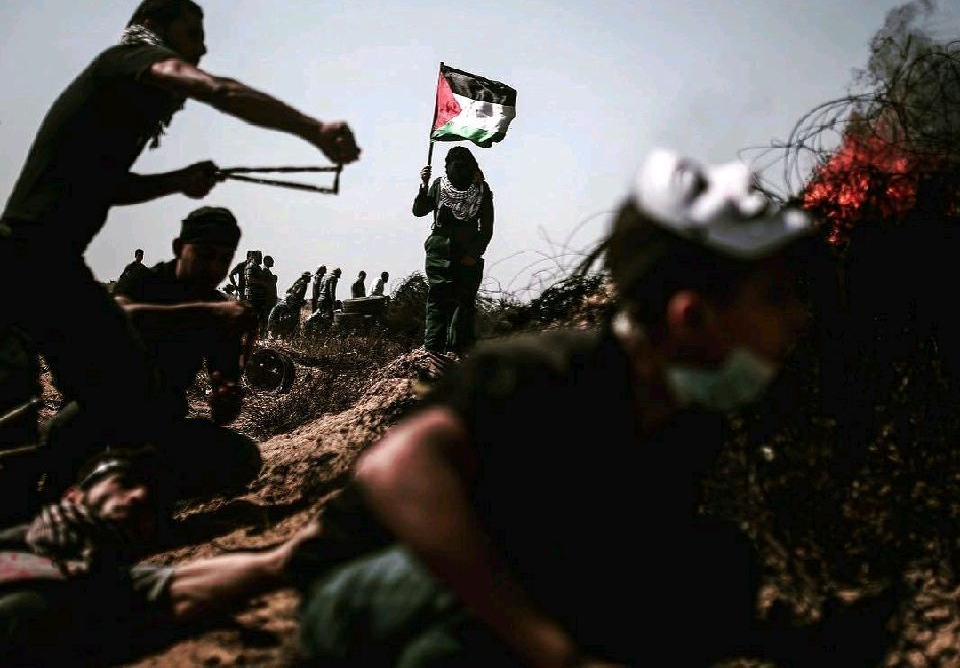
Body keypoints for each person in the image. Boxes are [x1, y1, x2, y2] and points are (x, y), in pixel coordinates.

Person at [298, 149, 900, 668]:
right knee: (518, 581)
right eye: (773, 298)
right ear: (690, 317)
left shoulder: (688, 408)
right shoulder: (546, 374)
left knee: (714, 569)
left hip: (507, 576)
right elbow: (395, 469)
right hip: (373, 595)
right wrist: (552, 650)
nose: (795, 318)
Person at [0, 0, 360, 491]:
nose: (202, 50)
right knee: (114, 393)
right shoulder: (128, 59)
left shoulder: (116, 112)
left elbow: (103, 185)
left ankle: (66, 495)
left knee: (94, 402)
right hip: (31, 255)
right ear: (154, 26)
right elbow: (217, 89)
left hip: (44, 259)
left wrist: (176, 181)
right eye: (193, 35)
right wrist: (313, 128)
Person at [0, 445, 322, 665]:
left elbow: (179, 587)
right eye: (124, 482)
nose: (139, 496)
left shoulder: (103, 585)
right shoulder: (21, 536)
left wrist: (289, 556)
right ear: (73, 495)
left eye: (152, 506)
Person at [104, 206, 262, 499]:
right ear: (179, 248)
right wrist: (206, 313)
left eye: (224, 260)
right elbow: (121, 315)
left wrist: (227, 397)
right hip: (105, 417)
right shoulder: (145, 281)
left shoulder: (220, 313)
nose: (214, 268)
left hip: (162, 427)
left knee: (242, 457)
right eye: (204, 255)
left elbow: (223, 405)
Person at [413, 146, 493, 357]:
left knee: (443, 301)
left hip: (449, 252)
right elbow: (419, 210)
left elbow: (419, 211)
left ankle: (439, 351)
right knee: (456, 301)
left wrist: (473, 254)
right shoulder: (472, 188)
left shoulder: (476, 189)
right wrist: (424, 185)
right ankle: (447, 351)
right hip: (452, 253)